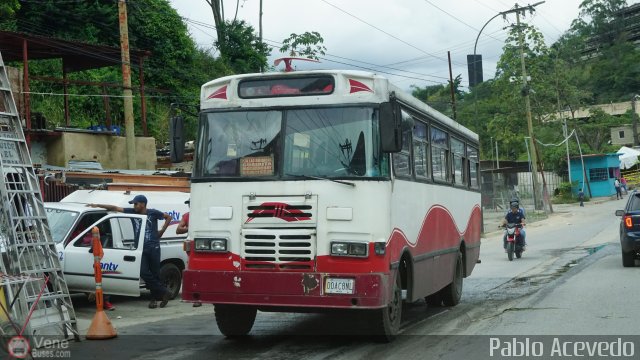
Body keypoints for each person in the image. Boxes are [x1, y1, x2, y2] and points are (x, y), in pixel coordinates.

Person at [87, 195, 172, 309]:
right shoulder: (132, 211)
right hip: (141, 248)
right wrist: (97, 205)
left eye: (136, 204)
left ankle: (154, 299)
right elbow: (115, 208)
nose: (134, 206)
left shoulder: (153, 213)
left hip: (153, 247)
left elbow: (168, 217)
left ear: (142, 204)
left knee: (155, 273)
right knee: (144, 272)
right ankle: (164, 291)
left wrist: (161, 230)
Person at [176, 199, 202, 307]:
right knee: (194, 272)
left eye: (191, 204)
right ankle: (196, 297)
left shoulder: (203, 214)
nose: (190, 206)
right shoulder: (187, 216)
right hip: (192, 247)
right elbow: (178, 230)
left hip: (204, 246)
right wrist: (189, 228)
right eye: (189, 204)